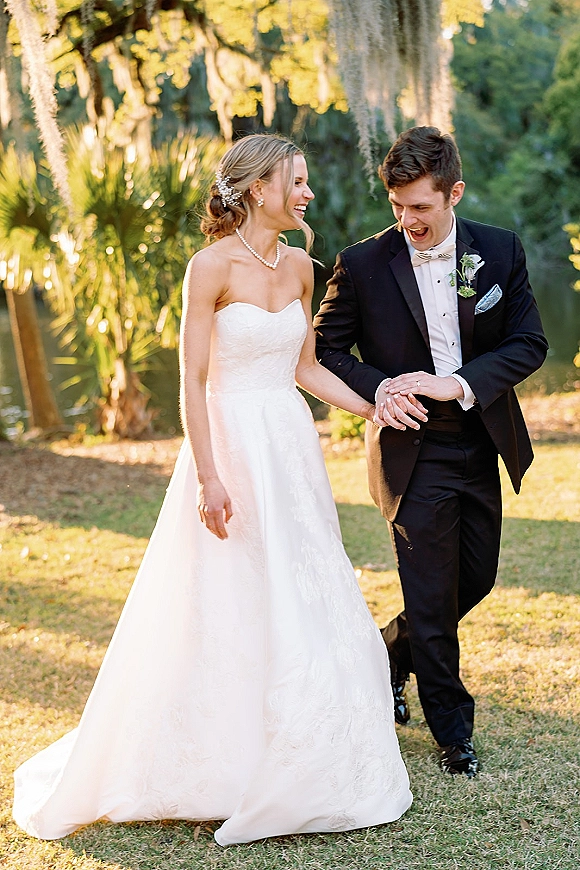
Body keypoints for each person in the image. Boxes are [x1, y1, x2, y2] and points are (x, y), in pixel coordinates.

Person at [13, 134, 412, 846]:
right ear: (257, 187)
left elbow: (308, 370)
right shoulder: (209, 267)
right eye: (295, 181)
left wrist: (374, 402)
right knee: (225, 594)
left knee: (300, 585)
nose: (307, 194)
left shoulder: (300, 268)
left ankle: (301, 745)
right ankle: (218, 762)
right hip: (228, 442)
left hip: (289, 445)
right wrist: (210, 475)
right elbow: (192, 382)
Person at [314, 126, 548, 778]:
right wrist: (380, 387)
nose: (407, 220)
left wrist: (460, 383)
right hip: (410, 452)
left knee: (475, 579)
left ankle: (390, 650)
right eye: (397, 206)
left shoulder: (499, 252)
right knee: (431, 594)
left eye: (420, 206)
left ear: (454, 193)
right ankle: (453, 732)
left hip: (481, 438)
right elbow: (323, 349)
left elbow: (529, 343)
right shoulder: (361, 264)